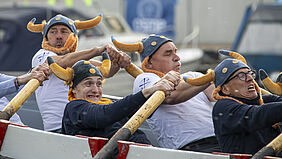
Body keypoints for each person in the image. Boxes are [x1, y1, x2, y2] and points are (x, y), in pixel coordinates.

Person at [112, 34, 220, 153]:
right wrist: (209, 78)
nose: (177, 57)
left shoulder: (193, 76)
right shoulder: (145, 79)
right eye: (168, 53)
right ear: (148, 64)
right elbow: (171, 96)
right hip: (189, 149)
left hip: (222, 141)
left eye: (175, 52)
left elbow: (221, 94)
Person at [27, 14, 130, 133]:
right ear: (46, 38)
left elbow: (106, 72)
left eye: (64, 31)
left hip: (82, 122)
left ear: (73, 37)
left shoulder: (77, 61)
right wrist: (97, 50)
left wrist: (118, 61)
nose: (59, 36)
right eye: (53, 32)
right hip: (59, 130)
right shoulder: (41, 55)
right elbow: (60, 62)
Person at [48, 58, 180, 145]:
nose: (95, 90)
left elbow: (139, 110)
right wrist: (147, 91)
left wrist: (160, 90)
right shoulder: (75, 108)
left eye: (99, 84)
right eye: (88, 84)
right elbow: (103, 115)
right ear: (74, 89)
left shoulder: (110, 106)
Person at [185, 56, 282, 157]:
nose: (250, 78)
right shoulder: (223, 107)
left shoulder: (264, 100)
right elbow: (255, 115)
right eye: (241, 75)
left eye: (250, 73)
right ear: (226, 89)